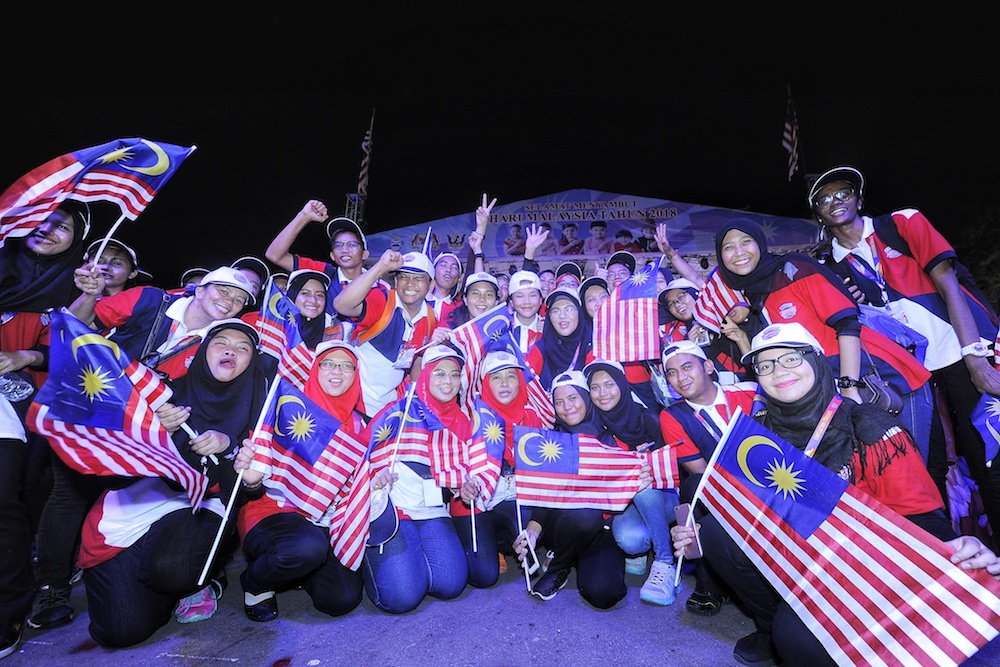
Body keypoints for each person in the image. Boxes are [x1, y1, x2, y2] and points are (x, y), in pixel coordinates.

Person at [671, 322, 1000, 667]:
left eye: (790, 358)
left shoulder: (868, 426)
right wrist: (689, 532)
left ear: (815, 361)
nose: (778, 371)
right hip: (795, 552)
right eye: (765, 365)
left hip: (863, 566)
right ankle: (768, 625)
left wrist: (955, 547)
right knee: (713, 533)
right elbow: (744, 504)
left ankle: (801, 628)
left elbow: (921, 516)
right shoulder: (759, 432)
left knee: (796, 637)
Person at [811, 165, 1000, 535]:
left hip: (955, 350)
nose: (836, 201)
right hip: (905, 374)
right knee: (925, 466)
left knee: (986, 458)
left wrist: (975, 357)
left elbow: (949, 284)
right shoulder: (828, 266)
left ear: (859, 198)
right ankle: (945, 556)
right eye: (824, 199)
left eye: (843, 192)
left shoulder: (901, 223)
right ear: (818, 213)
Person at [79, 319, 267, 647]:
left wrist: (229, 447)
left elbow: (245, 492)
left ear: (252, 360)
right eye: (221, 342)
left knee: (173, 570)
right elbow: (112, 476)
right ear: (203, 351)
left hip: (196, 510)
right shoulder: (161, 396)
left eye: (243, 348)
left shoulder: (261, 408)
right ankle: (158, 577)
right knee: (120, 632)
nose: (230, 351)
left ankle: (193, 581)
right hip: (129, 517)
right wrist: (149, 435)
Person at [703, 217, 935, 463]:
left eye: (746, 241)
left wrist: (849, 387)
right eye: (728, 247)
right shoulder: (756, 295)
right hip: (840, 396)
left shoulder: (795, 269)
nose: (738, 252)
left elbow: (847, 324)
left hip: (884, 383)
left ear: (760, 243)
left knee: (911, 475)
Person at [0, 201, 90, 658]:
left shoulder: (71, 286)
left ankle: (11, 608)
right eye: (45, 221)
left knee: (12, 501)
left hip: (28, 407)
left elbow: (80, 350)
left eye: (64, 227)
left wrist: (26, 357)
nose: (50, 231)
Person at [233, 341, 367, 622]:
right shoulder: (287, 405)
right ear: (314, 369)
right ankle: (256, 584)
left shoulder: (359, 425)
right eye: (328, 363)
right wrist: (251, 481)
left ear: (356, 375)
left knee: (341, 599)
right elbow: (251, 482)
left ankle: (298, 572)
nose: (337, 371)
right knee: (305, 548)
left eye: (347, 366)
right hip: (272, 512)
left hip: (325, 521)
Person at [361, 344, 471, 613]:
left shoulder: (465, 421)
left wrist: (466, 486)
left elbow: (465, 471)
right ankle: (374, 565)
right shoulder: (400, 410)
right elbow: (362, 450)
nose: (448, 382)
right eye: (439, 374)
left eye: (454, 374)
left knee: (451, 585)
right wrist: (374, 474)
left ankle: (412, 564)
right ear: (425, 375)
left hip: (433, 511)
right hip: (395, 511)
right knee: (402, 598)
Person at [514, 370, 633, 607]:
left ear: (586, 398)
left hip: (602, 528)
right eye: (559, 401)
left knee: (604, 594)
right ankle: (559, 567)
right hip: (564, 523)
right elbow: (544, 497)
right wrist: (532, 532)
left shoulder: (614, 434)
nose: (566, 407)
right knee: (585, 514)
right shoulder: (551, 440)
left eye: (573, 398)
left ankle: (566, 558)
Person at [658, 340, 758, 616]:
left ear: (709, 366)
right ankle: (709, 582)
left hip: (765, 478)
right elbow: (701, 471)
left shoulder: (748, 393)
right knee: (692, 487)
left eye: (687, 367)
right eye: (672, 372)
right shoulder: (673, 415)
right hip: (720, 485)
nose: (681, 377)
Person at [583, 358, 679, 605]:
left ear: (623, 385)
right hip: (623, 501)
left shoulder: (649, 418)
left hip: (662, 494)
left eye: (609, 384)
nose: (603, 393)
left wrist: (645, 475)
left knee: (642, 484)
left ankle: (665, 561)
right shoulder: (594, 425)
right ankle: (646, 543)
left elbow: (674, 469)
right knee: (631, 540)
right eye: (595, 387)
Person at [452, 350, 544, 588]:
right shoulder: (471, 418)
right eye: (495, 377)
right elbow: (452, 465)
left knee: (525, 524)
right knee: (485, 576)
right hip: (474, 504)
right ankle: (477, 546)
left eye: (510, 376)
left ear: (520, 381)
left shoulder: (533, 418)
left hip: (511, 498)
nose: (504, 383)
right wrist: (463, 485)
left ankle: (500, 544)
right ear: (484, 384)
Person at [70, 266, 256, 380]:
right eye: (224, 291)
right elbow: (76, 324)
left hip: (136, 418)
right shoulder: (148, 299)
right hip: (91, 382)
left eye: (239, 300)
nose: (230, 302)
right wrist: (90, 295)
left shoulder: (216, 343)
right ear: (200, 292)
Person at [333, 249, 437, 417]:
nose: (410, 283)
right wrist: (380, 267)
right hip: (353, 404)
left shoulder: (431, 318)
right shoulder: (383, 300)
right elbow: (341, 305)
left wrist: (416, 397)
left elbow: (417, 360)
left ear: (431, 285)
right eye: (404, 277)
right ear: (395, 281)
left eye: (418, 278)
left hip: (389, 409)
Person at [525, 288, 594, 391]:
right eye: (555, 311)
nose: (562, 316)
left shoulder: (591, 345)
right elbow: (525, 382)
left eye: (569, 309)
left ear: (579, 312)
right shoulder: (542, 347)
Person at [284, 268, 332, 350]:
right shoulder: (274, 326)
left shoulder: (333, 333)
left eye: (320, 295)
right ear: (293, 295)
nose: (313, 300)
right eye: (305, 293)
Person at [83, 237, 149, 296]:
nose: (106, 267)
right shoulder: (74, 301)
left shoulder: (140, 304)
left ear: (132, 273)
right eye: (99, 261)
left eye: (117, 263)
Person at [508, 270, 544, 353]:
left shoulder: (550, 328)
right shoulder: (503, 328)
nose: (527, 302)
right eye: (520, 296)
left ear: (540, 300)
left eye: (533, 295)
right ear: (512, 302)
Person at [428, 252, 463, 320]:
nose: (448, 270)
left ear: (459, 278)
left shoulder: (460, 309)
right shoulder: (418, 302)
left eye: (454, 267)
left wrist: (477, 253)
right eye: (443, 265)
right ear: (433, 271)